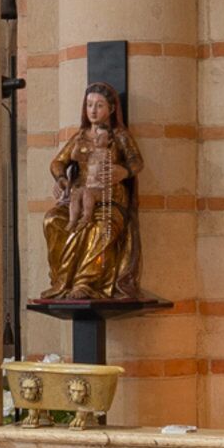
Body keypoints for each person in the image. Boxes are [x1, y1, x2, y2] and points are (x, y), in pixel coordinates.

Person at [41, 83, 145, 299]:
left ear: (112, 108)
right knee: (52, 220)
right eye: (89, 105)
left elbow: (137, 162)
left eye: (99, 105)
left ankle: (85, 283)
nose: (93, 111)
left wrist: (122, 171)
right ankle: (62, 281)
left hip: (109, 199)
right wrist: (61, 179)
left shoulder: (119, 136)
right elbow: (58, 162)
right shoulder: (80, 137)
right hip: (78, 197)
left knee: (101, 227)